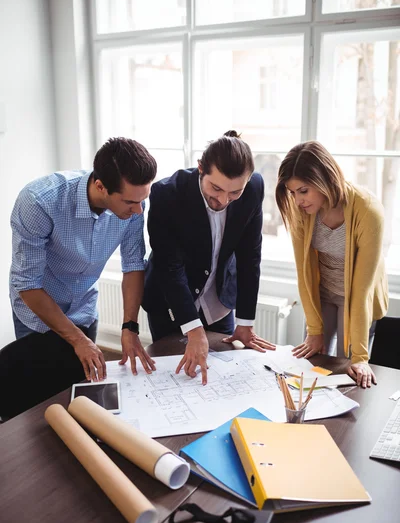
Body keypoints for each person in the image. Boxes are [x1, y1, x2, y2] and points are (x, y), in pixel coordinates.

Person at [5, 137, 157, 416]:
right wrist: (78, 340)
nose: (138, 211)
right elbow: (28, 284)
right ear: (101, 186)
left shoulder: (135, 204)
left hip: (84, 307)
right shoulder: (39, 202)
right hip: (38, 316)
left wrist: (130, 327)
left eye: (142, 201)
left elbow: (134, 264)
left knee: (80, 393)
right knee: (40, 405)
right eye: (130, 202)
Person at [142, 130, 276, 385]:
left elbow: (250, 257)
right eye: (216, 188)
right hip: (171, 303)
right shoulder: (166, 194)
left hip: (219, 300)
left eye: (234, 193)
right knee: (175, 377)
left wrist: (246, 322)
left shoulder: (254, 189)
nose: (224, 200)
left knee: (218, 377)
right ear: (201, 168)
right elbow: (170, 267)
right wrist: (193, 329)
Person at [275, 141, 388, 389]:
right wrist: (314, 330)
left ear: (325, 179)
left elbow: (362, 290)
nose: (297, 201)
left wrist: (360, 358)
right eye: (292, 192)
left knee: (350, 372)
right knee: (314, 365)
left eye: (303, 191)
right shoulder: (301, 212)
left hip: (355, 299)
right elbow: (303, 274)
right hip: (323, 295)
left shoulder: (368, 210)